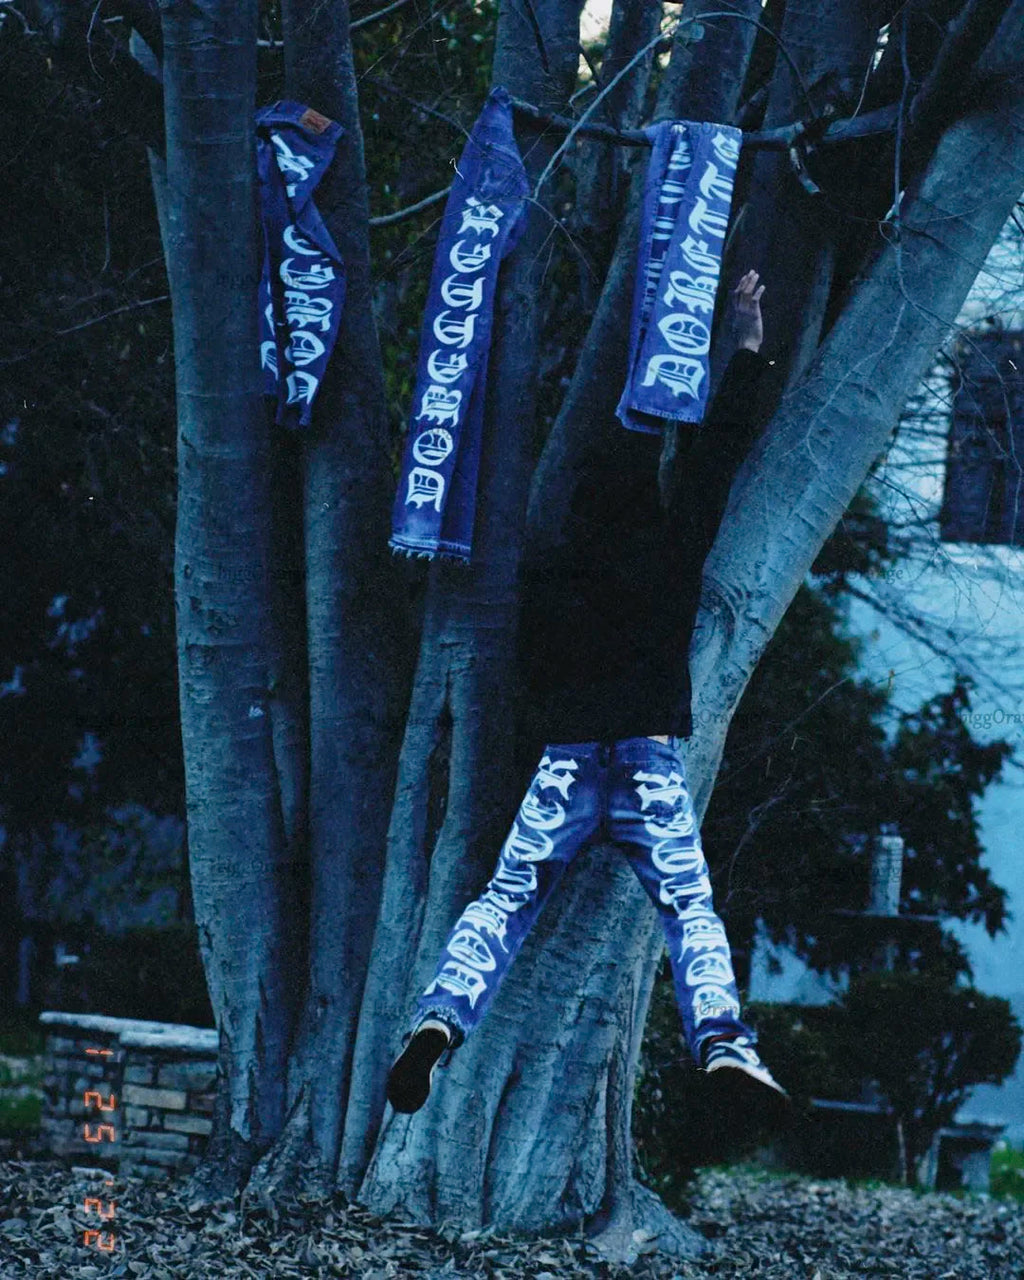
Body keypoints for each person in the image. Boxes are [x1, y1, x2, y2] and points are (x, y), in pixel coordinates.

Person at [387, 271, 788, 1125]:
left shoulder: (551, 573)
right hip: (649, 761)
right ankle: (723, 1040)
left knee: (506, 898)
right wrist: (746, 343)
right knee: (688, 907)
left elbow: (526, 676)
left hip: (566, 761)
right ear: (648, 498)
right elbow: (716, 460)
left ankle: (442, 1015)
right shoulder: (671, 549)